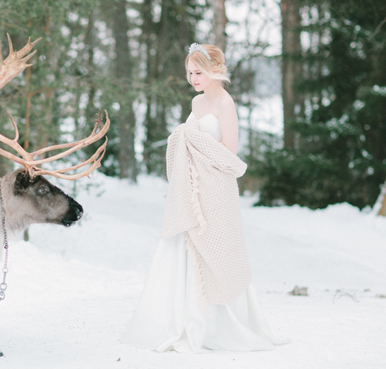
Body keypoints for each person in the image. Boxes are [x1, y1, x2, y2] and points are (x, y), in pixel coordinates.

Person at [121, 43, 288, 353]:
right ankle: (185, 319)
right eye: (189, 73)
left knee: (219, 247)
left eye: (198, 72)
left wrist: (196, 144)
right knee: (185, 245)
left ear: (214, 70)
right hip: (192, 186)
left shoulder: (225, 103)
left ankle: (221, 324)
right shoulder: (197, 103)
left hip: (217, 185)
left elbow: (230, 150)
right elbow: (189, 141)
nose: (193, 78)